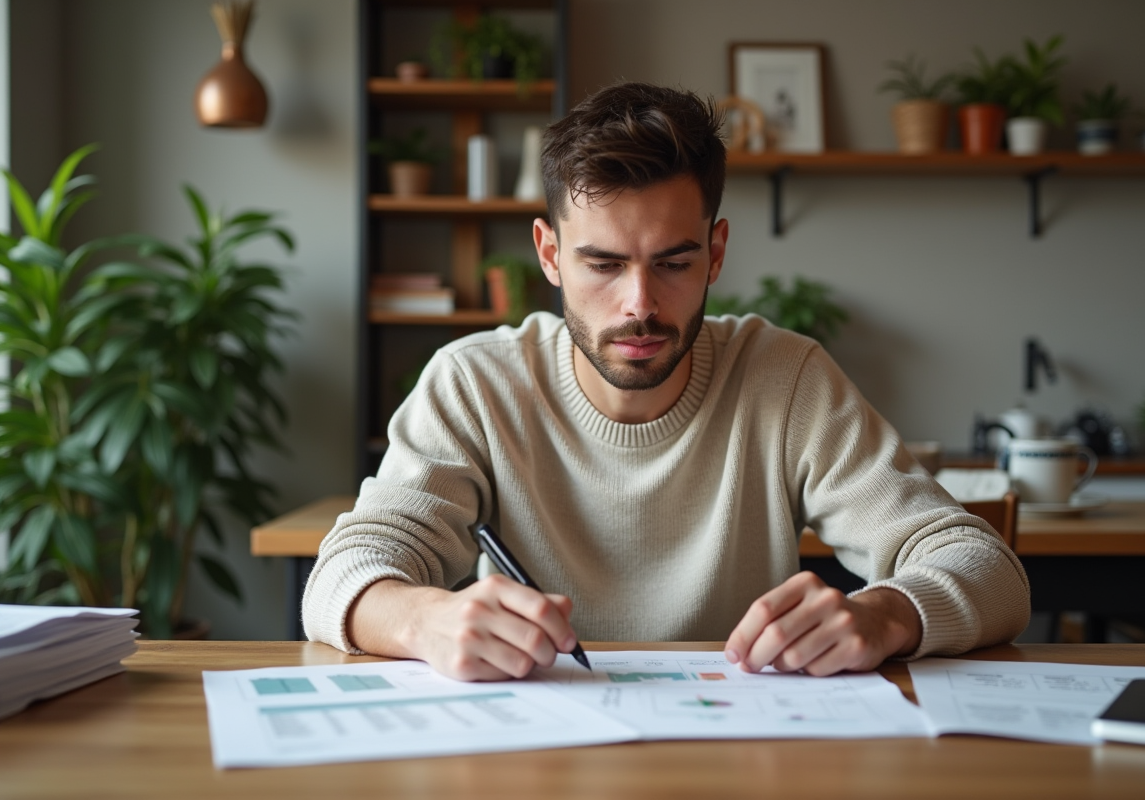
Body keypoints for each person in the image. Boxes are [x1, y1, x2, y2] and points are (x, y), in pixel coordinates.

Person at [303, 82, 1030, 681]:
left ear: (716, 252)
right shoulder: (475, 384)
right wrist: (424, 619)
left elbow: (988, 570)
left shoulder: (785, 377)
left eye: (674, 263)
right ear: (548, 253)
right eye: (604, 264)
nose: (641, 304)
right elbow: (345, 572)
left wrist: (884, 613)